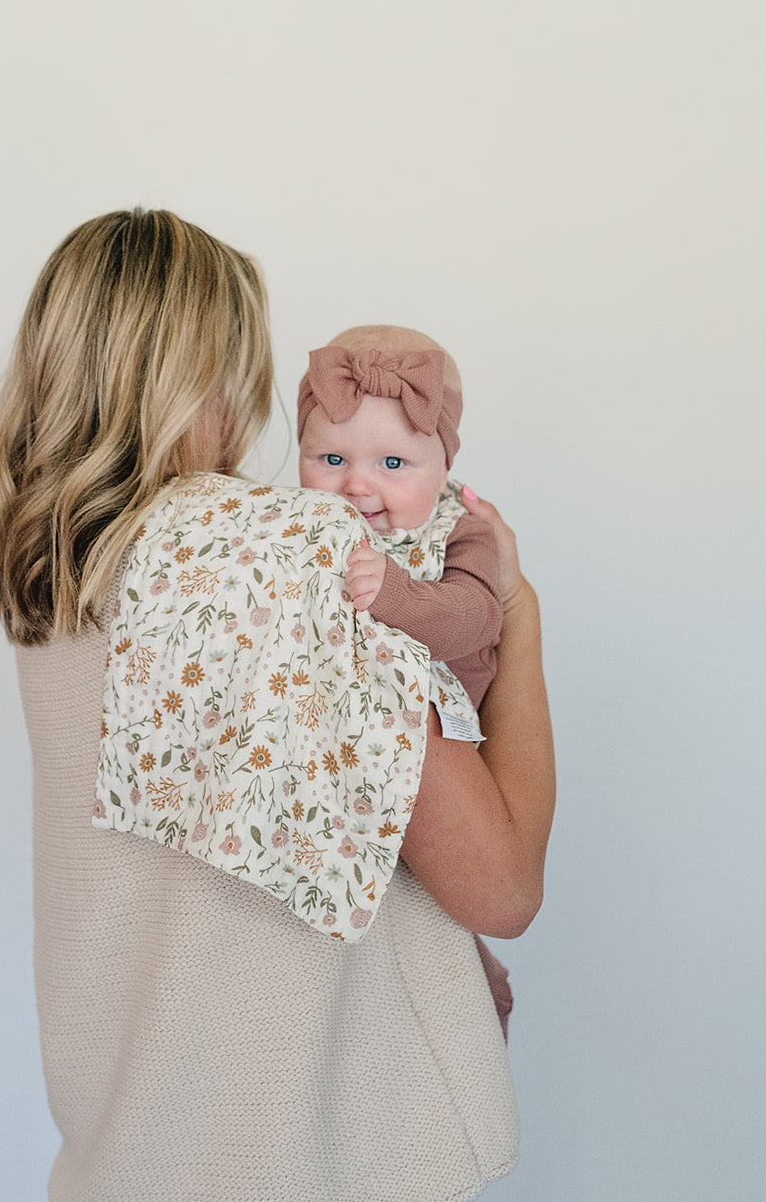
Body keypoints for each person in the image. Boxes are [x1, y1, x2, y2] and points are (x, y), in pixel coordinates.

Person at [0, 209, 554, 1202]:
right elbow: (502, 888)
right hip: (313, 1159)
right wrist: (513, 604)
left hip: (128, 1148)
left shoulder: (52, 565)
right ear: (209, 372)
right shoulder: (288, 552)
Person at [297, 325, 514, 1033]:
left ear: (445, 463)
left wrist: (396, 594)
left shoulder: (460, 531)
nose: (358, 485)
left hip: (443, 754)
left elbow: (477, 617)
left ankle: (480, 995)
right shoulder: (303, 525)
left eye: (393, 462)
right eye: (331, 458)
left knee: (437, 910)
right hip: (343, 753)